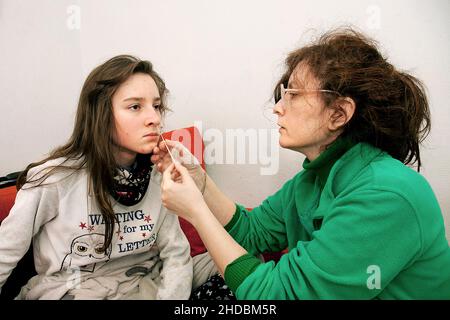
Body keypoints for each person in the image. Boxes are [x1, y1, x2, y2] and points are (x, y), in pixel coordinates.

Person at [153, 28, 450, 299]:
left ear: (339, 113)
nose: (278, 108)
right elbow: (251, 231)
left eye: (293, 94)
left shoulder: (385, 195)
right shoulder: (312, 180)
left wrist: (196, 211)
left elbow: (274, 297)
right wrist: (200, 182)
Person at [0, 55, 193, 299]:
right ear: (100, 113)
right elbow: (4, 253)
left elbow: (176, 254)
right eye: (135, 106)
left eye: (156, 106)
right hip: (74, 290)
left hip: (142, 284)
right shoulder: (55, 178)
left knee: (230, 268)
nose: (154, 118)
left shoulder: (158, 173)